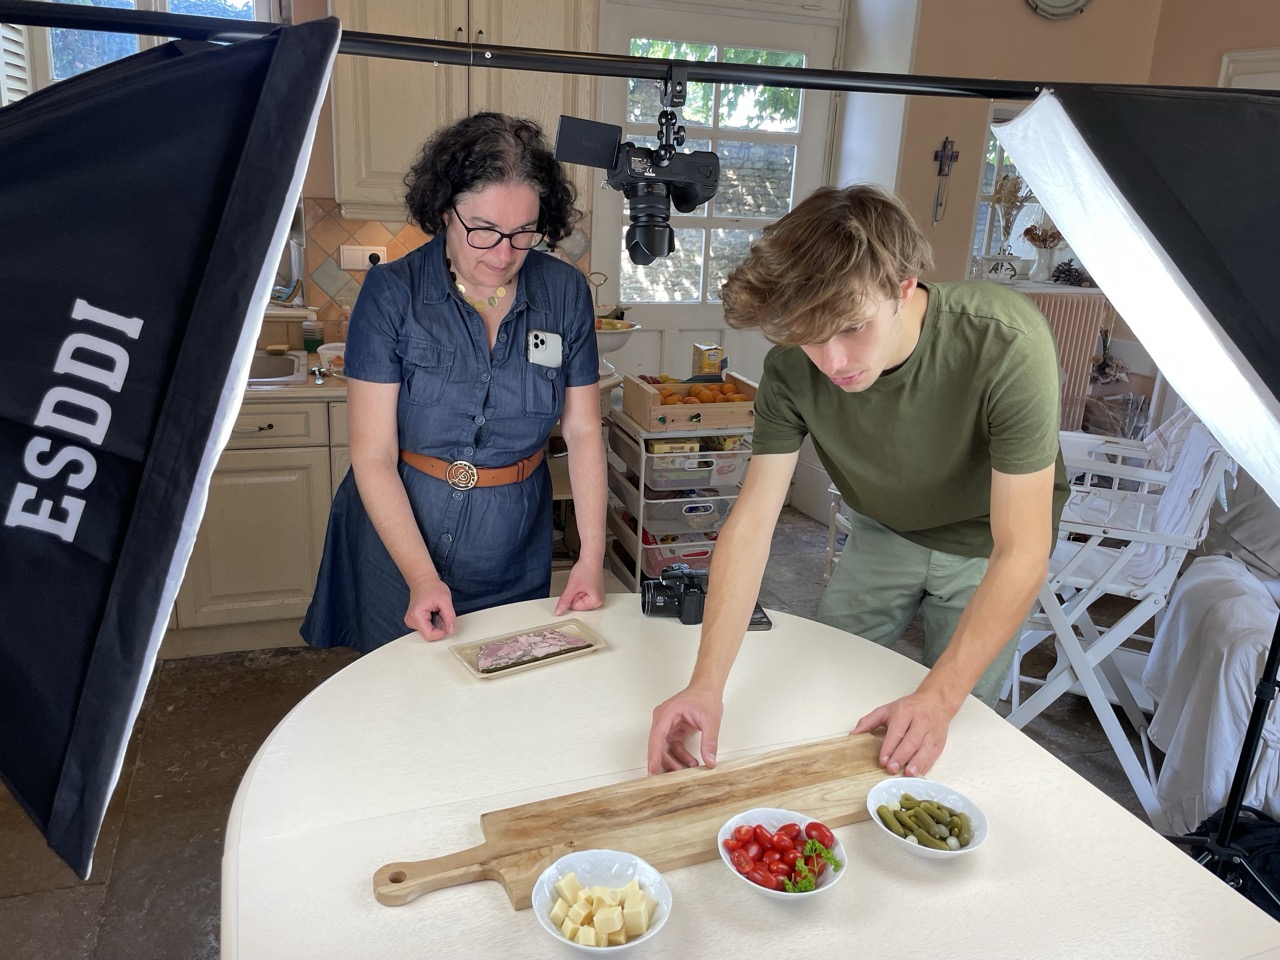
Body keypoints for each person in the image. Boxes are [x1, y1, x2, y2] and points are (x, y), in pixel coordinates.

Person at [647, 184, 1067, 778]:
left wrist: (939, 697)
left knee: (949, 725)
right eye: (808, 337)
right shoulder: (793, 368)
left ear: (903, 287)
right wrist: (705, 684)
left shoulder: (1006, 340)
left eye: (850, 327)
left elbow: (1023, 550)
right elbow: (752, 525)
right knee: (827, 686)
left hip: (986, 545)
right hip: (883, 530)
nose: (833, 361)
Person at [302, 113, 607, 654]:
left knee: (501, 702)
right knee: (403, 704)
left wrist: (590, 559)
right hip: (402, 545)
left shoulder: (564, 294)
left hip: (513, 544)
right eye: (484, 230)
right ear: (446, 210)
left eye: (522, 233)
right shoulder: (392, 294)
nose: (503, 253)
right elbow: (372, 454)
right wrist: (421, 577)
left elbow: (583, 432)